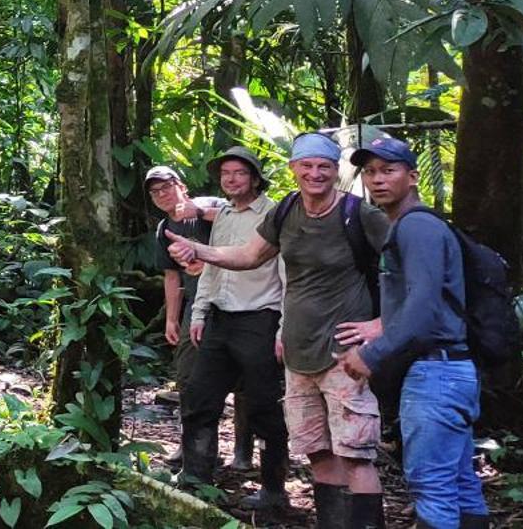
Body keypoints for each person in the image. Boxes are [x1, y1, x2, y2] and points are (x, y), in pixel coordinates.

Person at [172, 132, 391, 529]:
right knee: (319, 451)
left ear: (336, 171)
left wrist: (384, 323)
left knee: (356, 452)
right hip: (297, 354)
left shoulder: (360, 214)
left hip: (343, 351)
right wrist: (199, 252)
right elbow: (248, 256)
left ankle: (327, 510)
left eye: (324, 166)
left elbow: (404, 267)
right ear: (293, 170)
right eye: (306, 165)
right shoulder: (287, 211)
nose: (314, 173)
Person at [337, 137, 489, 529]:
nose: (377, 180)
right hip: (449, 370)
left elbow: (423, 307)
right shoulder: (410, 225)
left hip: (435, 373)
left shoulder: (416, 227)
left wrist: (371, 354)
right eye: (370, 172)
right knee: (459, 483)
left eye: (388, 171)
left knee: (432, 486)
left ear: (413, 176)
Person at [175, 147, 290, 511]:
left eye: (240, 173)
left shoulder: (273, 213)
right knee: (199, 398)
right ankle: (195, 480)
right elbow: (212, 266)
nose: (231, 179)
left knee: (264, 408)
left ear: (255, 178)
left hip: (260, 318)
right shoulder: (222, 214)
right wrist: (198, 313)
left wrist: (284, 326)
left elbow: (287, 272)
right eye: (226, 173)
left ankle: (273, 490)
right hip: (220, 320)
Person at [144, 166, 252, 471]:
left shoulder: (211, 205)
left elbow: (243, 224)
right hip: (197, 304)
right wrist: (171, 319)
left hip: (237, 300)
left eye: (166, 187)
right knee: (188, 375)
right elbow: (170, 276)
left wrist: (199, 211)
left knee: (243, 376)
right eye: (155, 192)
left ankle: (243, 451)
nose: (162, 195)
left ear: (181, 186)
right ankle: (191, 446)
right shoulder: (164, 227)